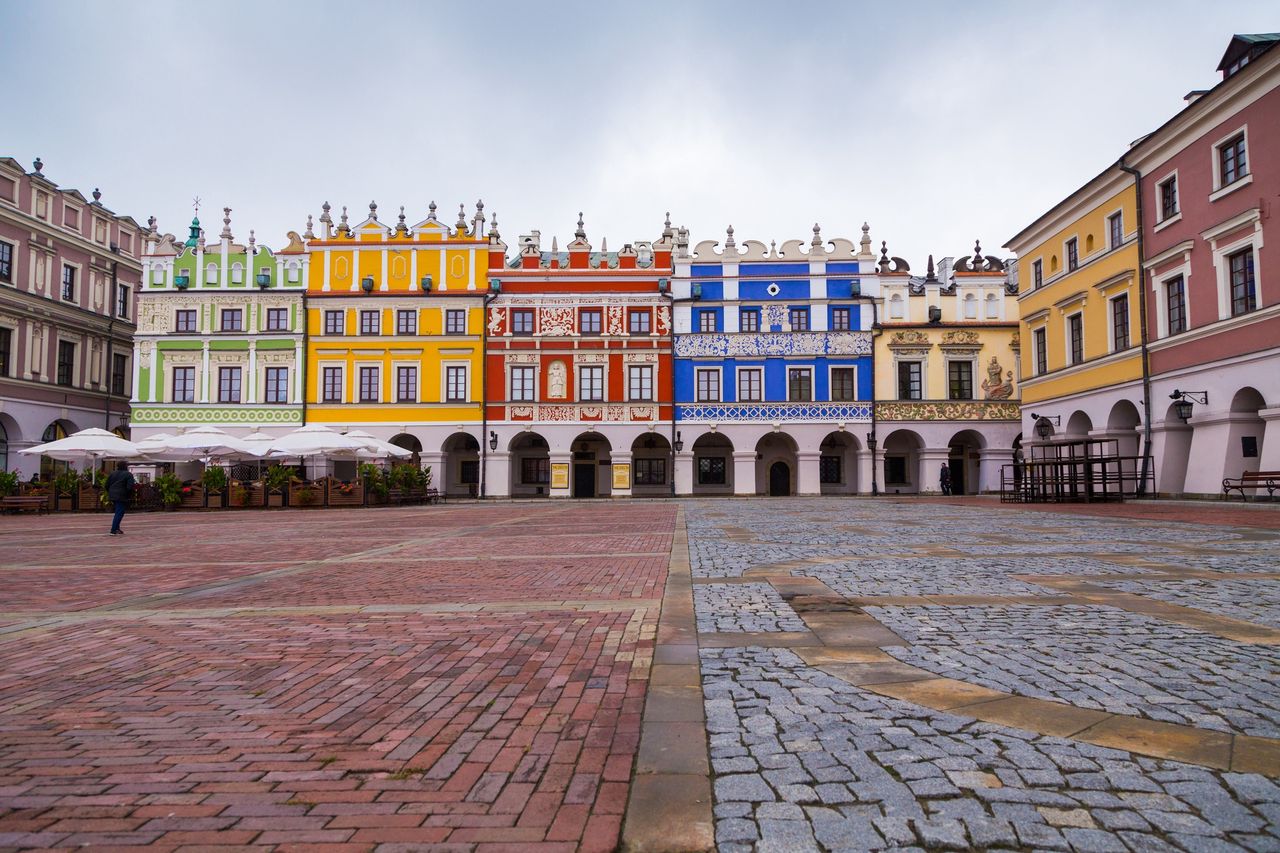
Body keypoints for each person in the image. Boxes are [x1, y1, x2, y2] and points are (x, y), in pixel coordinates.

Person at [105, 461, 136, 535]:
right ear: (125, 466)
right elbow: (130, 486)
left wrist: (110, 492)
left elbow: (106, 485)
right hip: (122, 495)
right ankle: (113, 529)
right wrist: (129, 495)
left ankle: (117, 528)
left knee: (118, 511)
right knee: (119, 512)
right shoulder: (128, 474)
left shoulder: (112, 474)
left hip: (112, 494)